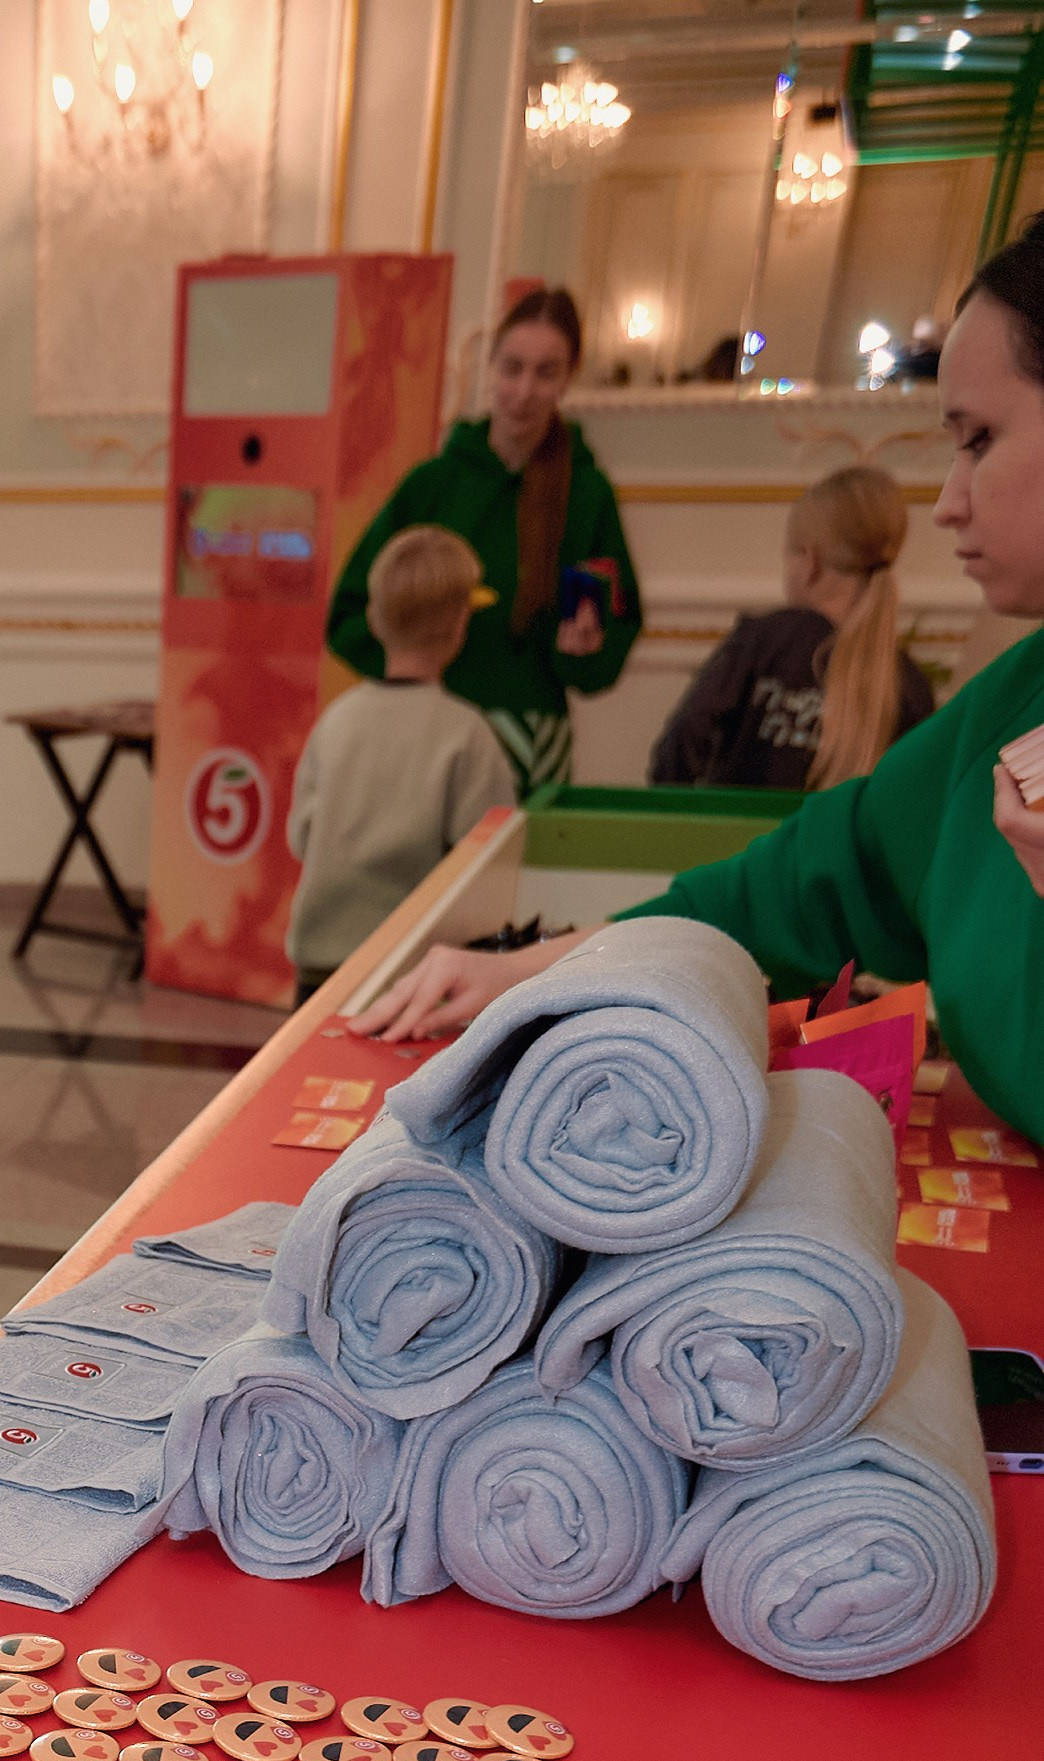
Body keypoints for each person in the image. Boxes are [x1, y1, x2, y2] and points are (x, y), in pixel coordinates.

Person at [354, 213, 1044, 1143]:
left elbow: (613, 651)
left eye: (980, 439)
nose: (949, 499)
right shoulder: (1005, 707)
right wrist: (539, 971)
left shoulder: (583, 491)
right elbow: (772, 893)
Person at [327, 287, 640, 793]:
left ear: (568, 379)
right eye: (512, 368)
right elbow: (349, 611)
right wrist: (408, 671)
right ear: (489, 367)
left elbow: (609, 639)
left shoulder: (586, 494)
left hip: (533, 741)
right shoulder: (431, 485)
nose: (524, 390)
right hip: (424, 730)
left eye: (546, 372)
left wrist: (583, 647)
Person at [287, 527, 514, 989]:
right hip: (414, 972)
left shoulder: (336, 720)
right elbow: (488, 864)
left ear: (373, 620)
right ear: (459, 625)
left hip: (319, 968)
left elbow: (301, 836)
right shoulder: (468, 734)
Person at [647, 466, 933, 793]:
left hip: (744, 842)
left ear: (809, 562)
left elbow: (684, 739)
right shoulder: (908, 684)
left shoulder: (761, 642)